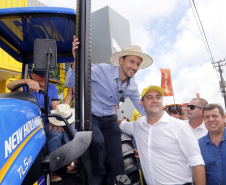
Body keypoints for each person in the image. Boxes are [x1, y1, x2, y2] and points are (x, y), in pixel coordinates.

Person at [65, 36, 153, 185]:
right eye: (131, 61)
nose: (135, 67)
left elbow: (141, 107)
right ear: (121, 61)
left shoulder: (132, 87)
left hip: (109, 118)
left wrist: (155, 121)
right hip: (90, 114)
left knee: (117, 151)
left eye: (138, 64)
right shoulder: (100, 70)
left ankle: (117, 180)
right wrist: (76, 62)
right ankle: (98, 173)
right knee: (97, 141)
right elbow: (70, 82)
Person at [119, 85, 206, 185]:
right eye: (149, 97)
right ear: (141, 103)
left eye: (158, 97)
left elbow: (197, 163)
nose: (155, 100)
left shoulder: (179, 126)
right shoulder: (138, 125)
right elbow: (121, 124)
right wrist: (115, 106)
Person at [7, 69, 63, 182]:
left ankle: (52, 169)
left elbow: (55, 107)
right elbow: (9, 85)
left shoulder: (52, 88)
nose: (43, 79)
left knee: (56, 132)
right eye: (41, 76)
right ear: (33, 75)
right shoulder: (26, 87)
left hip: (46, 121)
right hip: (30, 123)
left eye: (45, 76)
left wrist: (55, 121)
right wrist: (27, 81)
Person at [199, 104, 226, 185]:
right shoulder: (198, 145)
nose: (211, 119)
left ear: (224, 118)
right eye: (207, 117)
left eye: (215, 116)